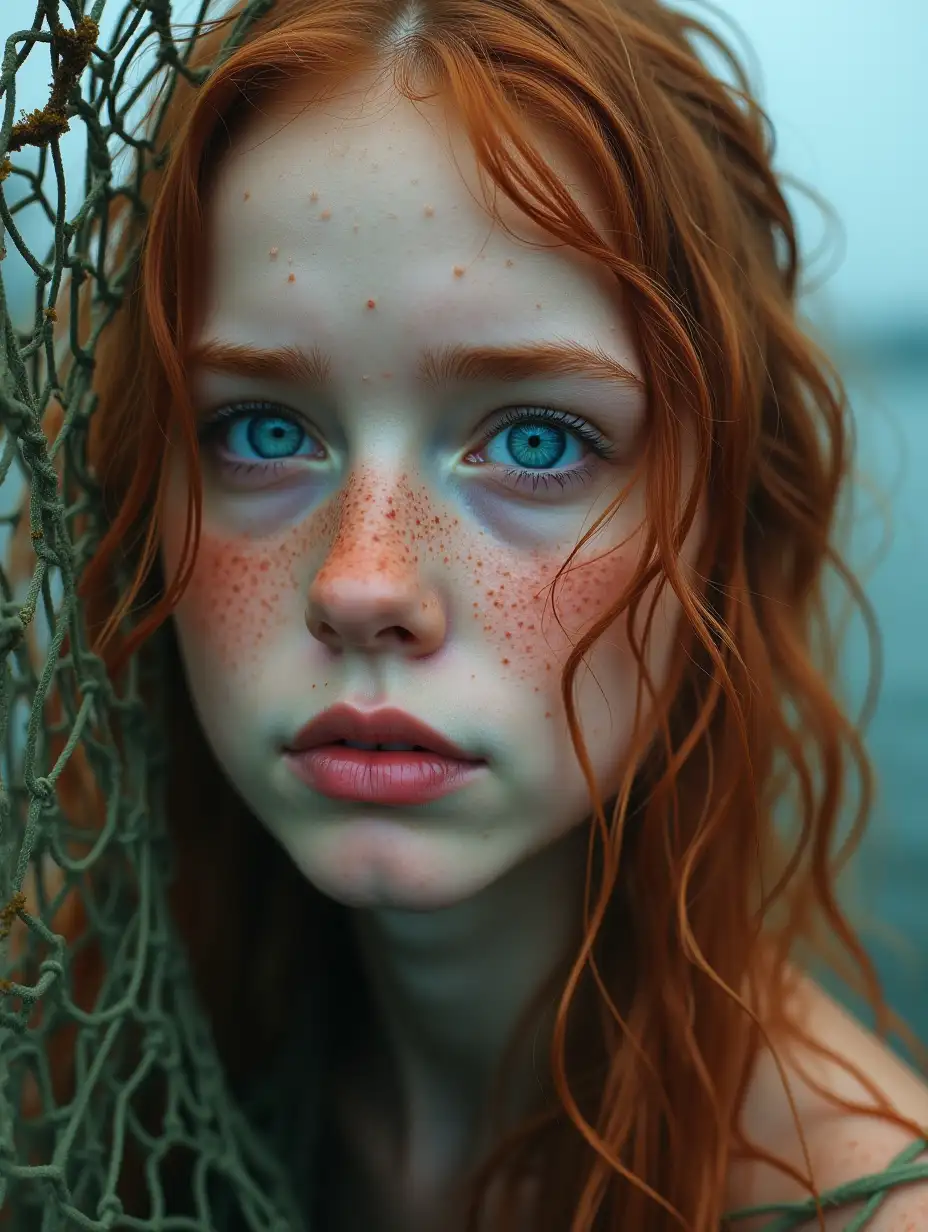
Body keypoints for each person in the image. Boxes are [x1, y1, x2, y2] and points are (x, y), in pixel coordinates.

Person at [6, 0, 928, 1228]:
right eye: (260, 430)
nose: (363, 582)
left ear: (724, 521)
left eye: (538, 439)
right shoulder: (82, 1080)